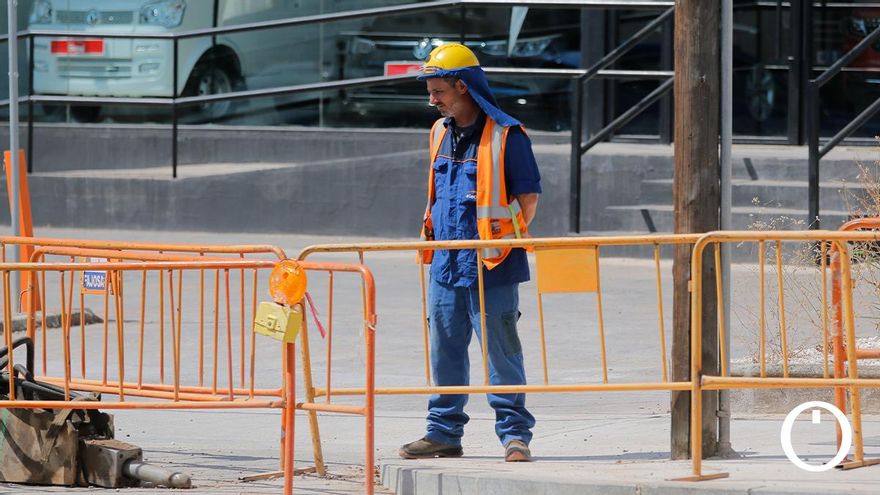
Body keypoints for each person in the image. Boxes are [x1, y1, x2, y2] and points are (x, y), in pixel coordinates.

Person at [398, 43, 541, 463]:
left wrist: (499, 240)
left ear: (463, 86)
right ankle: (442, 432)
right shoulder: (439, 132)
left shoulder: (506, 134)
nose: (432, 99)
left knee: (502, 353)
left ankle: (515, 435)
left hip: (492, 264)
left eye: (439, 90)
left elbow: (527, 197)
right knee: (444, 350)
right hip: (444, 264)